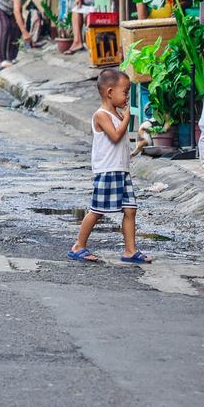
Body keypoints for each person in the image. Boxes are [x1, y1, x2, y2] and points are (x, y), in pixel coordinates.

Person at [68, 68, 149, 264]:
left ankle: (130, 250)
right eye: (125, 92)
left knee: (130, 209)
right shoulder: (101, 115)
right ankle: (79, 245)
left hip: (121, 170)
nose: (127, 96)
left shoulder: (117, 114)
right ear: (110, 92)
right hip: (107, 171)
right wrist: (128, 118)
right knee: (97, 210)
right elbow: (114, 136)